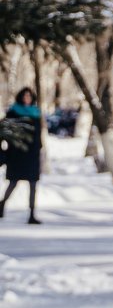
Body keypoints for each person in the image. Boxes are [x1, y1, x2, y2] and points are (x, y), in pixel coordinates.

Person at [1, 87, 43, 224]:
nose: (27, 98)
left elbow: (38, 134)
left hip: (32, 155)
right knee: (13, 183)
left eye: (29, 96)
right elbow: (4, 131)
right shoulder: (13, 112)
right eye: (25, 95)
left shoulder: (36, 113)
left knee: (33, 184)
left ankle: (32, 214)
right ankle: (1, 205)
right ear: (20, 97)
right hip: (16, 155)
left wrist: (39, 147)